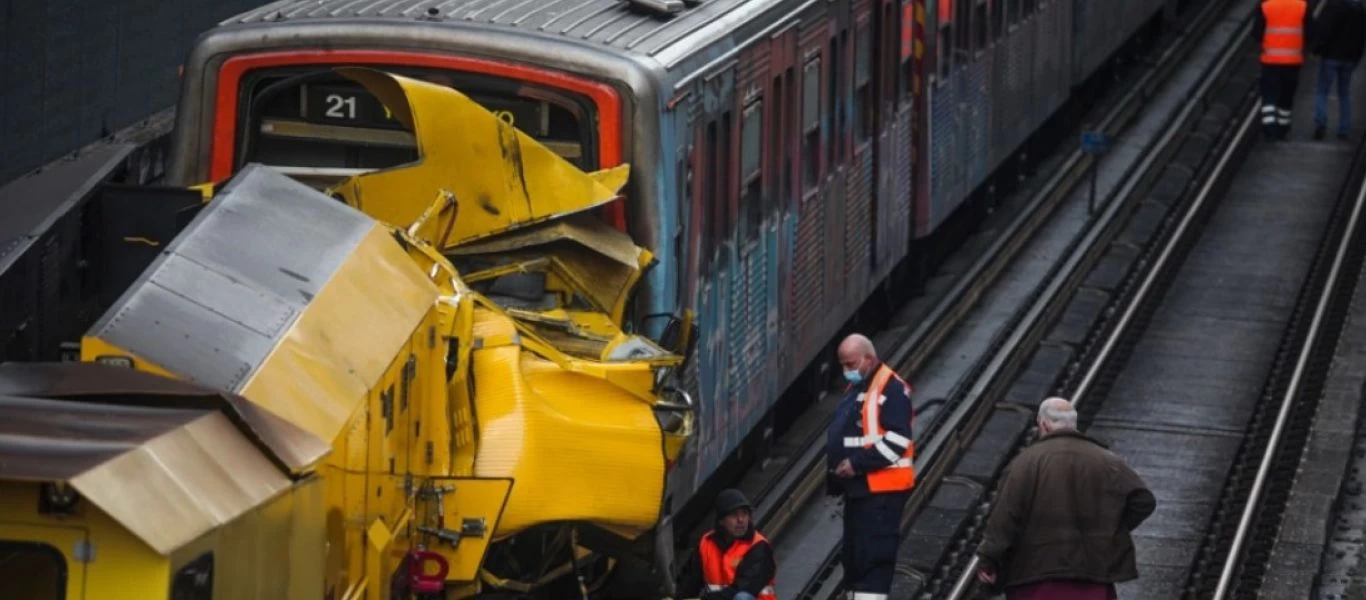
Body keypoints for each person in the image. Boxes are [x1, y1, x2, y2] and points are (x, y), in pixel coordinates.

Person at [974, 398, 1157, 600]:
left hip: (1035, 576)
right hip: (1093, 574)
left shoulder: (1024, 463)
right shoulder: (1107, 461)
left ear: (1043, 425)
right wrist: (1109, 529)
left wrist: (988, 560)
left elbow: (1004, 518)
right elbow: (1143, 501)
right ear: (1073, 424)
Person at [825, 334, 915, 600]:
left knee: (872, 557)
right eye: (843, 365)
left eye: (850, 364)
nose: (846, 372)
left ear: (868, 358)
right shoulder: (863, 386)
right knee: (855, 557)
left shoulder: (891, 389)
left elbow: (898, 439)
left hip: (881, 492)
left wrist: (856, 463)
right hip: (862, 491)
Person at [676, 489, 777, 600]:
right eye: (734, 515)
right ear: (721, 521)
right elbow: (690, 581)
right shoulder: (706, 544)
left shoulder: (759, 547)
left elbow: (744, 588)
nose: (741, 520)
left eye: (745, 514)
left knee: (741, 597)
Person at [1311, 0, 1366, 140]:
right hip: (1350, 58)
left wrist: (1317, 49)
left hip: (1331, 56)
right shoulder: (1361, 10)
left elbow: (1325, 31)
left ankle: (1320, 124)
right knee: (1344, 93)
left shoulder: (1333, 6)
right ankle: (1344, 129)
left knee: (1322, 91)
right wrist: (1357, 57)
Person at [1255, 0, 1309, 140]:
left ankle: (1269, 126)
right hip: (1292, 62)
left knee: (1269, 94)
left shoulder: (1267, 6)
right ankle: (1283, 128)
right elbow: (1311, 31)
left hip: (1271, 61)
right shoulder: (1301, 6)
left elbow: (1256, 32)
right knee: (1286, 96)